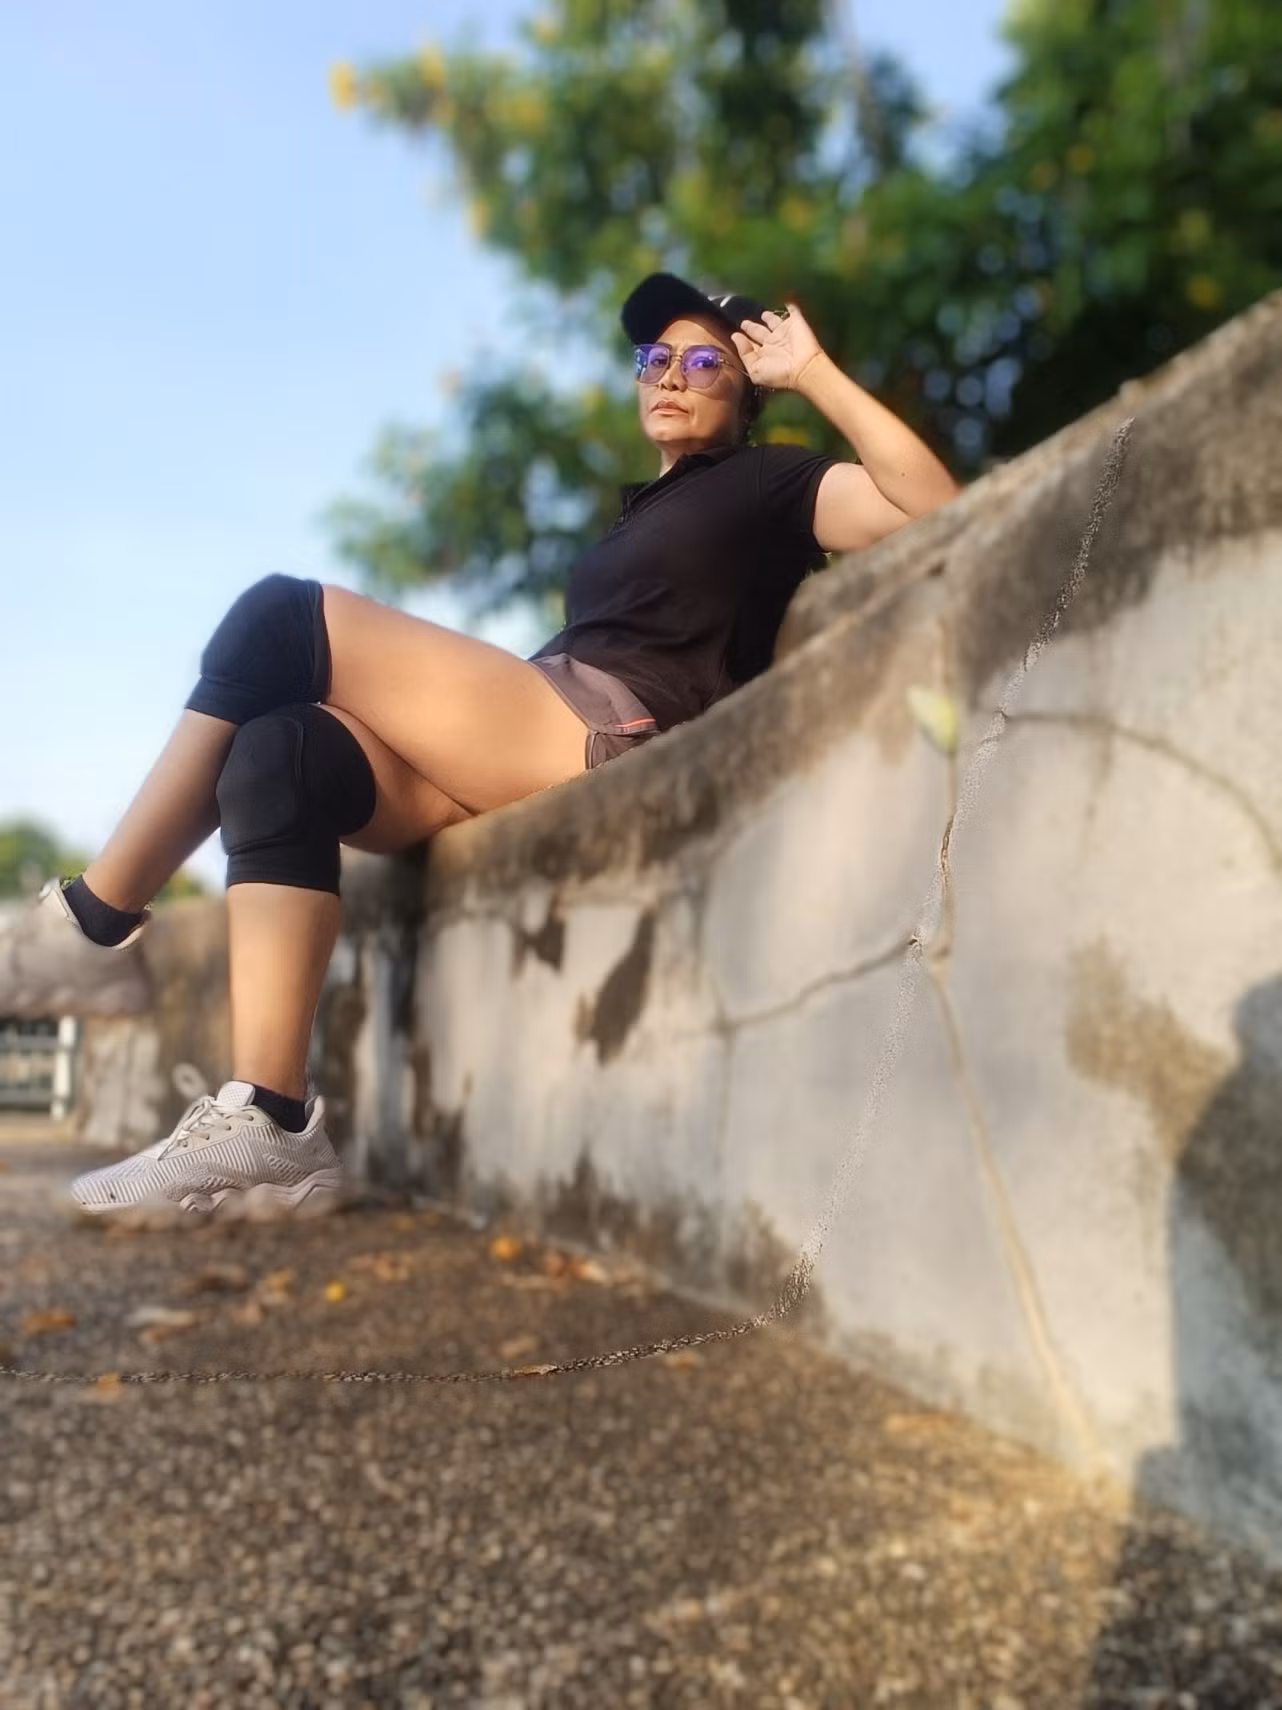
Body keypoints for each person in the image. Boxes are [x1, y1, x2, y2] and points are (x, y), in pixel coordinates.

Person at [1, 271, 959, 1225]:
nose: (671, 374)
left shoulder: (769, 480)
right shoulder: (642, 512)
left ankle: (92, 926)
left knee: (280, 619)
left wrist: (813, 372)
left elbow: (931, 506)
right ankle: (273, 1122)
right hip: (536, 722)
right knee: (276, 755)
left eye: (705, 361)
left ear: (747, 393)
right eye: (653, 357)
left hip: (606, 731)